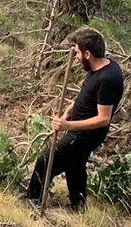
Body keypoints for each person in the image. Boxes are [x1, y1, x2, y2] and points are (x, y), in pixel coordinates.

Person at [27, 27, 124, 211]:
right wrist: (70, 109)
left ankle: (33, 202)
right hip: (77, 127)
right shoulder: (99, 66)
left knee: (45, 161)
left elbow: (104, 118)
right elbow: (88, 95)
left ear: (88, 54)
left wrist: (68, 125)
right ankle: (78, 206)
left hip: (85, 135)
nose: (76, 57)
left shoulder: (108, 79)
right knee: (75, 164)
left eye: (78, 53)